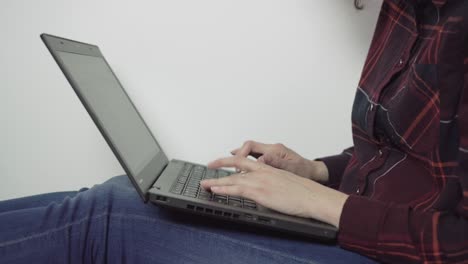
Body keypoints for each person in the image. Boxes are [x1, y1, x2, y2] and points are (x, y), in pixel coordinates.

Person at [1, 0, 467, 263]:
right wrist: (315, 171)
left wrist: (319, 203)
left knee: (104, 219)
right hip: (360, 223)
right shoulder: (410, 9)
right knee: (118, 193)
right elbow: (405, 156)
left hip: (391, 254)